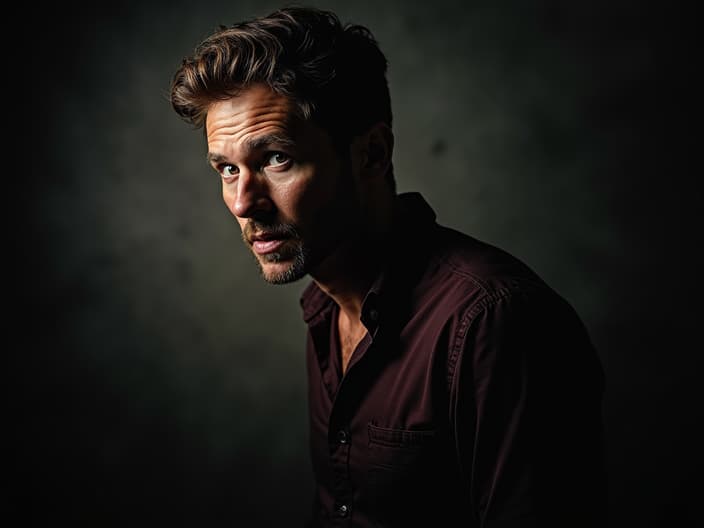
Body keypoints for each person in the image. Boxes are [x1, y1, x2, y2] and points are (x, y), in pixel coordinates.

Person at [170, 6, 606, 527]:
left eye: (277, 159)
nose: (244, 203)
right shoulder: (326, 309)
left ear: (372, 154)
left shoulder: (495, 322)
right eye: (227, 168)